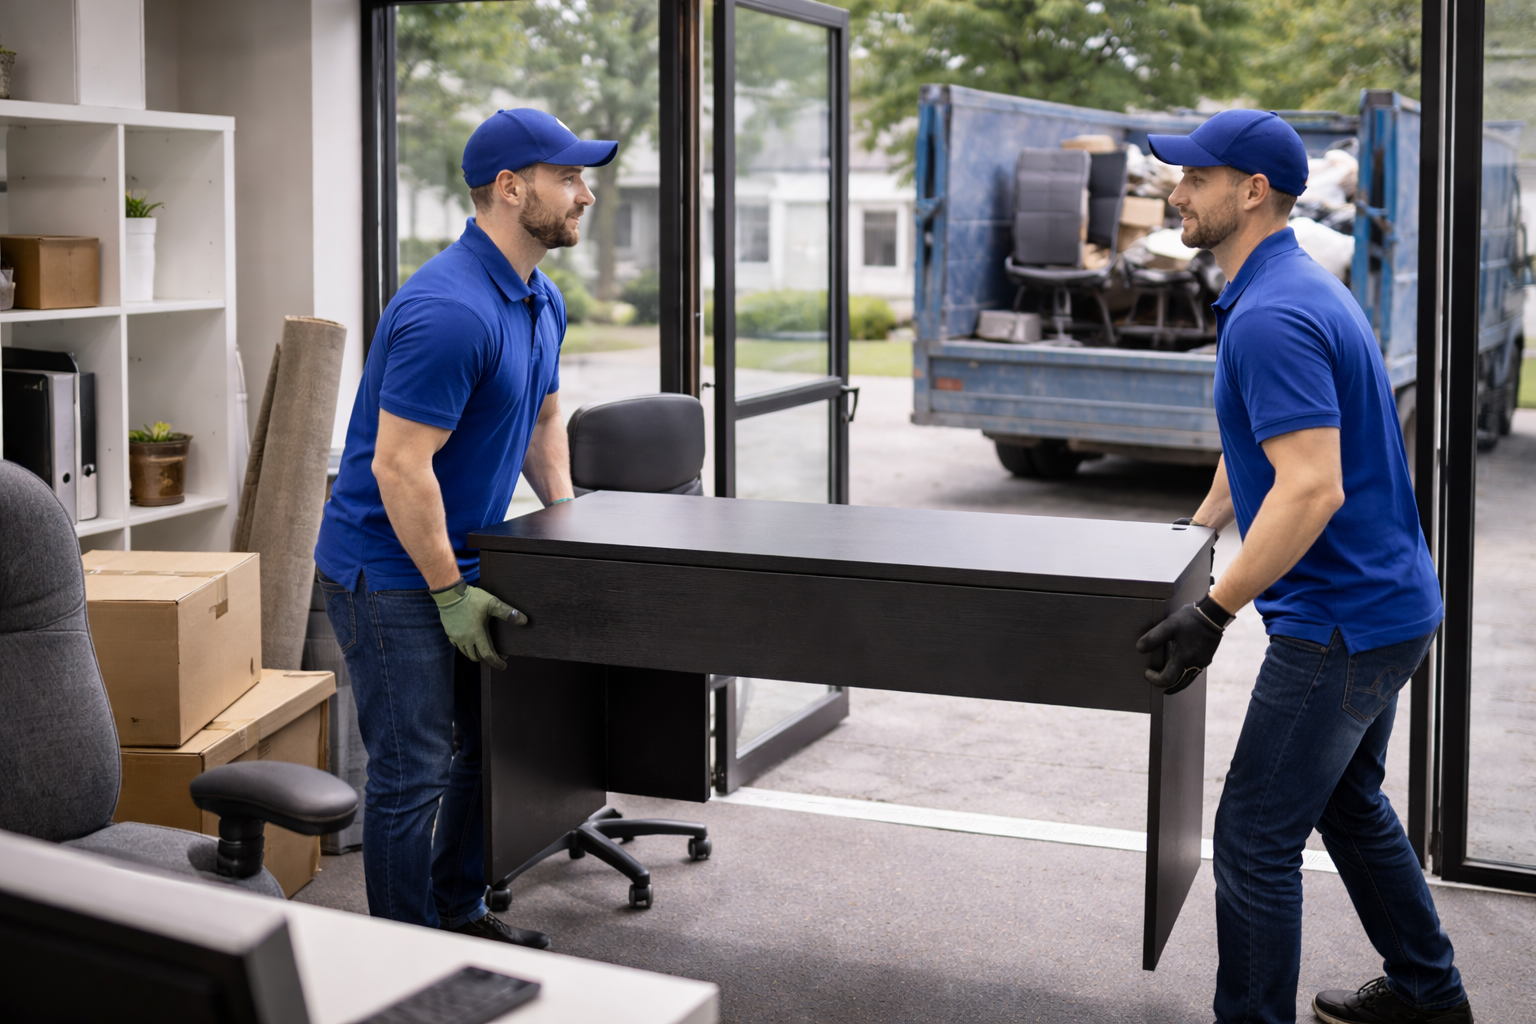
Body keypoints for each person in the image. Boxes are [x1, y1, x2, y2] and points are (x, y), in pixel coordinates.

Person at [1134, 110, 1472, 1024]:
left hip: (1339, 622)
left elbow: (1310, 488)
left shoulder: (1273, 312)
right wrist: (1200, 523)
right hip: (1385, 604)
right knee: (1351, 803)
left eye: (1195, 179)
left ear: (1251, 192)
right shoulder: (1285, 285)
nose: (1176, 193)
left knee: (1252, 839)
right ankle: (1428, 996)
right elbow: (1259, 438)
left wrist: (1213, 610)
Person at [313, 109, 615, 949]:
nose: (585, 195)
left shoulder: (537, 296)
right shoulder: (449, 310)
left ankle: (458, 915)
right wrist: (449, 592)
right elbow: (399, 469)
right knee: (412, 770)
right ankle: (404, 957)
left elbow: (542, 419)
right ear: (513, 189)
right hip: (390, 571)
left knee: (485, 749)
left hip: (470, 555)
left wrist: (567, 524)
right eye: (570, 179)